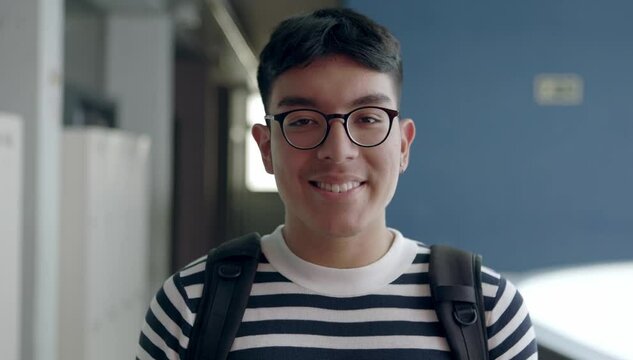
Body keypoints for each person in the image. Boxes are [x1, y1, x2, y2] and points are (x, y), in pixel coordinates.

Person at [137, 8, 537, 360]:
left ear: (402, 144)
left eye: (367, 118)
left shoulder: (487, 310)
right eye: (304, 121)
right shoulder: (190, 306)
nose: (338, 150)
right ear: (265, 147)